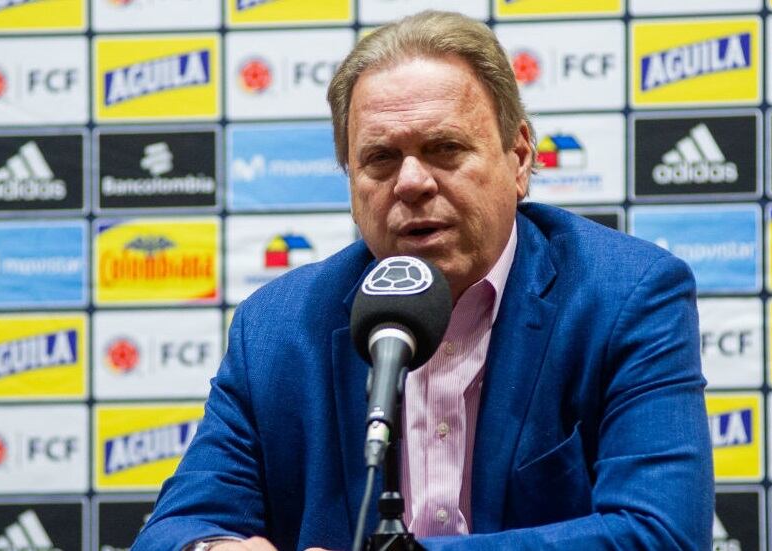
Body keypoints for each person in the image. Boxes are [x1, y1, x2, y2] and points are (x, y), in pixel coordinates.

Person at [134, 11, 712, 551]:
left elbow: (660, 533)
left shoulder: (625, 295)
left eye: (445, 149)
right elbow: (177, 527)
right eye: (381, 159)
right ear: (351, 183)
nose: (411, 182)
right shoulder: (278, 328)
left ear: (518, 159)